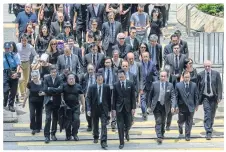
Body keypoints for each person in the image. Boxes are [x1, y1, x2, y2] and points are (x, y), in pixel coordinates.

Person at [197, 60, 222, 140]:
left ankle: (210, 126)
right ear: (203, 66)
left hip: (214, 97)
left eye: (209, 66)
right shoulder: (200, 75)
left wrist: (219, 97)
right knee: (207, 114)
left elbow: (219, 86)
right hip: (205, 97)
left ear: (211, 66)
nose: (207, 68)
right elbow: (198, 87)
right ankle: (208, 132)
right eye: (206, 66)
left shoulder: (216, 74)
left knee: (212, 115)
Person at [148, 70, 175, 144]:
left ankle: (162, 133)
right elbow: (150, 96)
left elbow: (173, 96)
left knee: (163, 121)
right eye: (161, 76)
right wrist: (149, 106)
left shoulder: (170, 85)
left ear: (167, 77)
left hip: (165, 106)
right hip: (157, 105)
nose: (163, 78)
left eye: (164, 76)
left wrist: (173, 106)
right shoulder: (154, 84)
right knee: (158, 120)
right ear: (159, 77)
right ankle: (159, 136)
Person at [86, 73, 111, 149]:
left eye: (101, 79)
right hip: (95, 108)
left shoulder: (106, 87)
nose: (100, 81)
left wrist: (109, 110)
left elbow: (109, 99)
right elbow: (88, 98)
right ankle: (96, 136)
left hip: (104, 108)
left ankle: (103, 141)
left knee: (104, 125)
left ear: (103, 79)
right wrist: (88, 109)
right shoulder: (92, 87)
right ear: (96, 80)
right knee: (95, 124)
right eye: (98, 80)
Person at [112, 69, 136, 149]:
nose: (121, 79)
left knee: (129, 123)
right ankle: (121, 142)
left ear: (125, 76)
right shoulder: (116, 85)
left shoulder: (130, 83)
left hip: (128, 107)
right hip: (119, 108)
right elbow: (114, 98)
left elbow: (133, 96)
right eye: (119, 78)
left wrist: (133, 108)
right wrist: (113, 109)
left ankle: (126, 131)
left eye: (122, 77)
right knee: (120, 126)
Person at [172, 71, 199, 141]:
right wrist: (176, 106)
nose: (187, 79)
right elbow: (176, 97)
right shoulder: (178, 85)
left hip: (191, 107)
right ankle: (180, 126)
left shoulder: (194, 85)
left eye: (188, 77)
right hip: (181, 107)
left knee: (189, 122)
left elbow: (196, 96)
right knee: (181, 121)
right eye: (186, 77)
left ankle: (187, 135)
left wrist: (196, 105)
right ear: (183, 77)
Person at [43, 66, 63, 143]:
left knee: (55, 118)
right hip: (48, 101)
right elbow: (45, 89)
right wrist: (55, 90)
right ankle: (46, 136)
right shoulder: (46, 78)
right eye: (52, 72)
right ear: (50, 72)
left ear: (56, 72)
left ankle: (53, 134)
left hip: (56, 102)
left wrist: (50, 89)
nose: (53, 73)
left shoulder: (59, 78)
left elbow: (61, 89)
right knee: (48, 118)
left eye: (55, 72)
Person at [62, 73, 85, 141]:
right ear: (67, 80)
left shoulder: (78, 86)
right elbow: (61, 94)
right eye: (70, 79)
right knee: (68, 122)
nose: (71, 80)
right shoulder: (64, 86)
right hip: (67, 107)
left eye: (72, 79)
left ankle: (75, 134)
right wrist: (62, 101)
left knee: (76, 120)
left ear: (74, 79)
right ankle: (68, 135)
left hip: (76, 106)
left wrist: (83, 105)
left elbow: (81, 96)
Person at [22, 70, 45, 135]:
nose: (34, 77)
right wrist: (24, 102)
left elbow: (46, 91)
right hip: (32, 101)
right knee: (32, 115)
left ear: (38, 76)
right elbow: (27, 93)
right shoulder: (29, 83)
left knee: (39, 115)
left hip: (40, 101)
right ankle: (33, 128)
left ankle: (38, 128)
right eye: (33, 76)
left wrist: (43, 93)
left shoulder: (42, 83)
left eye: (35, 76)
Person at [16, 34, 38, 100]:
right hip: (20, 64)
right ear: (21, 40)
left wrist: (33, 63)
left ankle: (24, 92)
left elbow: (36, 55)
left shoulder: (30, 47)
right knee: (21, 79)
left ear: (27, 40)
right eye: (22, 40)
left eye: (25, 40)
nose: (23, 42)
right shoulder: (17, 46)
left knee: (26, 80)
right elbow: (14, 53)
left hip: (27, 63)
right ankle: (22, 93)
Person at [140, 52, 158, 120]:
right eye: (144, 57)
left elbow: (155, 74)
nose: (145, 58)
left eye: (146, 56)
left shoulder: (152, 64)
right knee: (143, 99)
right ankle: (144, 113)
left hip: (150, 84)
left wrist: (156, 83)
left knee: (148, 99)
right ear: (142, 57)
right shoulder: (139, 64)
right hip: (142, 85)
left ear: (149, 57)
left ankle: (147, 109)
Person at [3, 42, 21, 112]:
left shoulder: (15, 55)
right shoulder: (2, 55)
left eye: (8, 48)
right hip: (6, 73)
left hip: (14, 72)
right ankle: (5, 100)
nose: (7, 49)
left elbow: (19, 64)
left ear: (10, 48)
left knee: (13, 91)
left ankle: (11, 105)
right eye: (6, 48)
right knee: (5, 90)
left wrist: (16, 73)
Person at [80, 64, 96, 131]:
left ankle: (94, 125)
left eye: (91, 69)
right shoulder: (84, 76)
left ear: (94, 69)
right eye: (89, 69)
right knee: (88, 111)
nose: (90, 71)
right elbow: (80, 85)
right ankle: (89, 124)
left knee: (95, 111)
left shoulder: (97, 76)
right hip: (87, 96)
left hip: (95, 96)